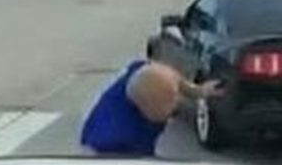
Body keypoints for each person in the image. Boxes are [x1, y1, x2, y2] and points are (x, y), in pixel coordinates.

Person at [80, 59, 223, 156]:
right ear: (146, 110)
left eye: (174, 96)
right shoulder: (115, 140)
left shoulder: (143, 70)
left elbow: (171, 77)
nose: (177, 104)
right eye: (167, 108)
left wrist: (198, 91)